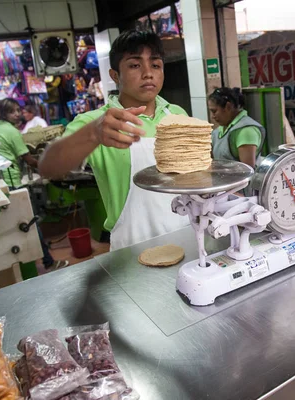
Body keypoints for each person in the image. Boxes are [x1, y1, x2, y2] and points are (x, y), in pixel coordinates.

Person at [39, 30, 190, 251]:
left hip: (187, 234)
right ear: (115, 75)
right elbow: (48, 167)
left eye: (156, 65)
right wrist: (92, 134)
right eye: (135, 65)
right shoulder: (97, 122)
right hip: (134, 246)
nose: (148, 73)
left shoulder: (176, 114)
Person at [0, 99, 68, 270]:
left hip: (1, 180)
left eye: (18, 110)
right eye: (12, 111)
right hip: (13, 182)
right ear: (4, 113)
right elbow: (29, 159)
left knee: (14, 225)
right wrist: (52, 167)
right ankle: (48, 262)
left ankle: (23, 265)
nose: (17, 114)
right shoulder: (12, 132)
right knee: (29, 222)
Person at [208, 87, 265, 169]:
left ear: (228, 107)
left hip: (240, 181)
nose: (212, 116)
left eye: (214, 111)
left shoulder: (246, 131)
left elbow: (246, 171)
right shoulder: (218, 131)